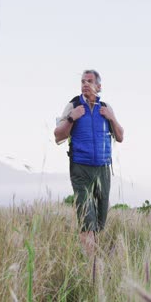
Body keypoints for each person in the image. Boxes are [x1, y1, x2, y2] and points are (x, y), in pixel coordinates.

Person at [54, 69, 124, 255]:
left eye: (90, 81)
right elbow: (58, 136)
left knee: (100, 220)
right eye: (83, 81)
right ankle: (91, 266)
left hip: (103, 169)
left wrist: (111, 118)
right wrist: (71, 118)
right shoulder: (73, 105)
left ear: (99, 87)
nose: (85, 84)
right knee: (87, 218)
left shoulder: (106, 108)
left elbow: (120, 136)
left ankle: (94, 259)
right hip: (80, 168)